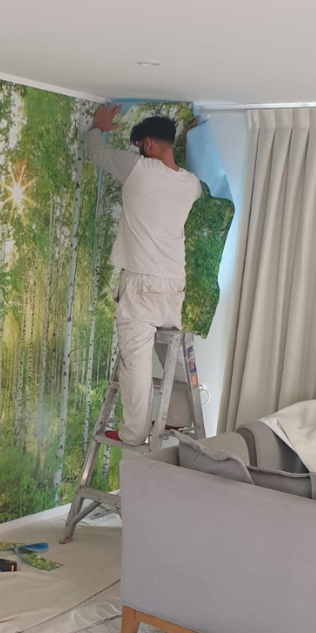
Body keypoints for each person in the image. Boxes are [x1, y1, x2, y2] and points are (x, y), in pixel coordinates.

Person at [85, 104, 202, 445]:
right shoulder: (191, 184)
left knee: (135, 361)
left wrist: (98, 125)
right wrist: (191, 141)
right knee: (171, 355)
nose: (139, 152)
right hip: (174, 282)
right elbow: (177, 171)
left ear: (147, 143)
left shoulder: (138, 169)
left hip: (140, 282)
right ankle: (176, 418)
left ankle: (134, 432)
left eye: (140, 146)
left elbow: (95, 152)